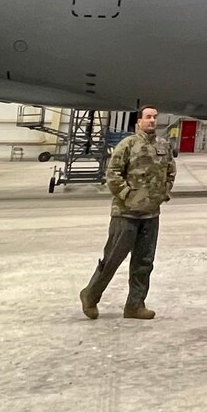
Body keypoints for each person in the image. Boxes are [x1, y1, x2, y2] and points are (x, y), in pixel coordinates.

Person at [80, 107, 175, 320]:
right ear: (138, 122)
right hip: (126, 214)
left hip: (151, 215)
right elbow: (112, 173)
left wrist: (163, 193)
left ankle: (135, 305)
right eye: (148, 117)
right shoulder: (127, 144)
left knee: (144, 262)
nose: (152, 120)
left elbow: (171, 171)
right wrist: (127, 195)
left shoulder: (163, 146)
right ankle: (90, 295)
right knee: (113, 259)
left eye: (155, 117)